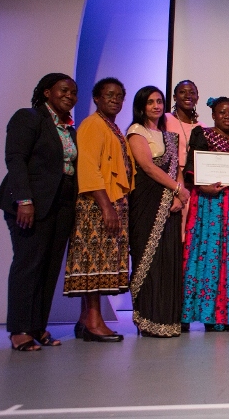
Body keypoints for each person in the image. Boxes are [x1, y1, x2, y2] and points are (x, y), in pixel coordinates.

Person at [0, 73, 78, 351]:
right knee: (28, 265)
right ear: (47, 92)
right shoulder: (29, 118)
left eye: (73, 92)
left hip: (61, 205)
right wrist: (24, 200)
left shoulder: (69, 129)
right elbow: (15, 159)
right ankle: (19, 329)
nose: (69, 96)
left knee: (49, 268)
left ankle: (37, 326)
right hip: (31, 203)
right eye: (64, 90)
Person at [63, 77, 135, 342]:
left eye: (119, 96)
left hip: (111, 202)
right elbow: (89, 167)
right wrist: (106, 206)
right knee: (92, 264)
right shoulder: (93, 124)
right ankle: (94, 321)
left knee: (100, 263)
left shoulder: (111, 126)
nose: (114, 99)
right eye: (109, 95)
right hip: (96, 204)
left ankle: (86, 319)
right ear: (96, 98)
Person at [127, 86, 191, 337]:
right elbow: (147, 167)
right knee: (148, 259)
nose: (156, 106)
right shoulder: (137, 131)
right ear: (141, 106)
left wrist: (179, 195)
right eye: (150, 102)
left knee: (168, 259)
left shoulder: (167, 134)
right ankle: (147, 319)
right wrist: (176, 188)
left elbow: (177, 168)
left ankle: (167, 320)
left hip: (171, 203)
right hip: (147, 202)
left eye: (159, 101)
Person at [181, 96, 229, 332]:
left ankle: (222, 316)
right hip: (208, 204)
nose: (227, 116)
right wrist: (202, 186)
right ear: (213, 115)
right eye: (222, 112)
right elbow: (191, 167)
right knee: (203, 254)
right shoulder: (203, 134)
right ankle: (190, 314)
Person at [164, 80, 205, 243]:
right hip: (169, 182)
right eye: (182, 92)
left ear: (197, 98)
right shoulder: (164, 120)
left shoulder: (202, 128)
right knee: (172, 236)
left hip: (194, 185)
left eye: (192, 92)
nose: (188, 95)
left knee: (191, 238)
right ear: (174, 96)